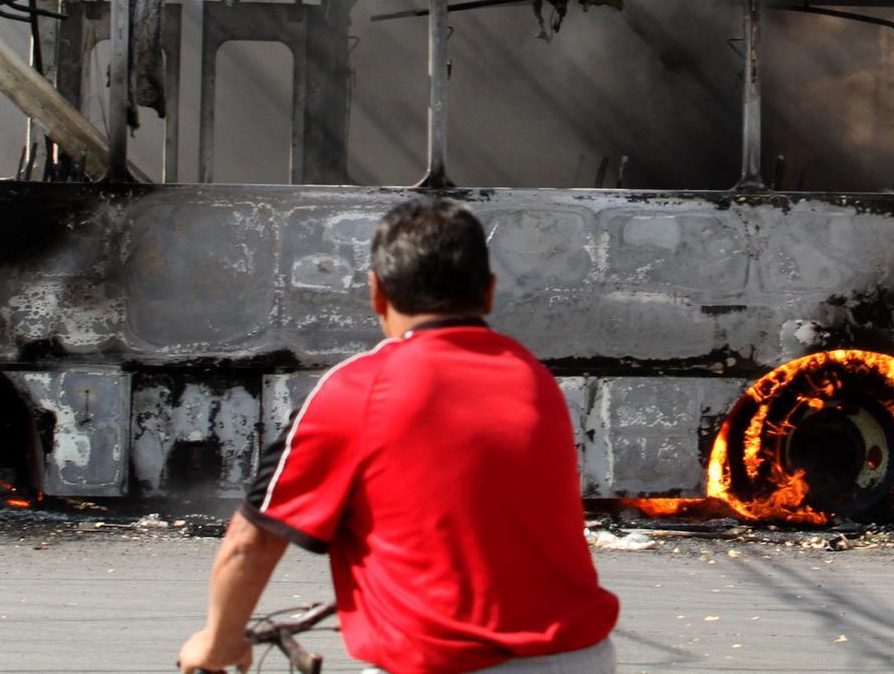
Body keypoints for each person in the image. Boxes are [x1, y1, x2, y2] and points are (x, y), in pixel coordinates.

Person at [177, 197, 621, 674]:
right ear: (489, 292)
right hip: (583, 657)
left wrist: (218, 642)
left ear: (376, 292)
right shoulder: (534, 378)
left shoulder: (360, 388)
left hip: (446, 665)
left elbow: (252, 542)